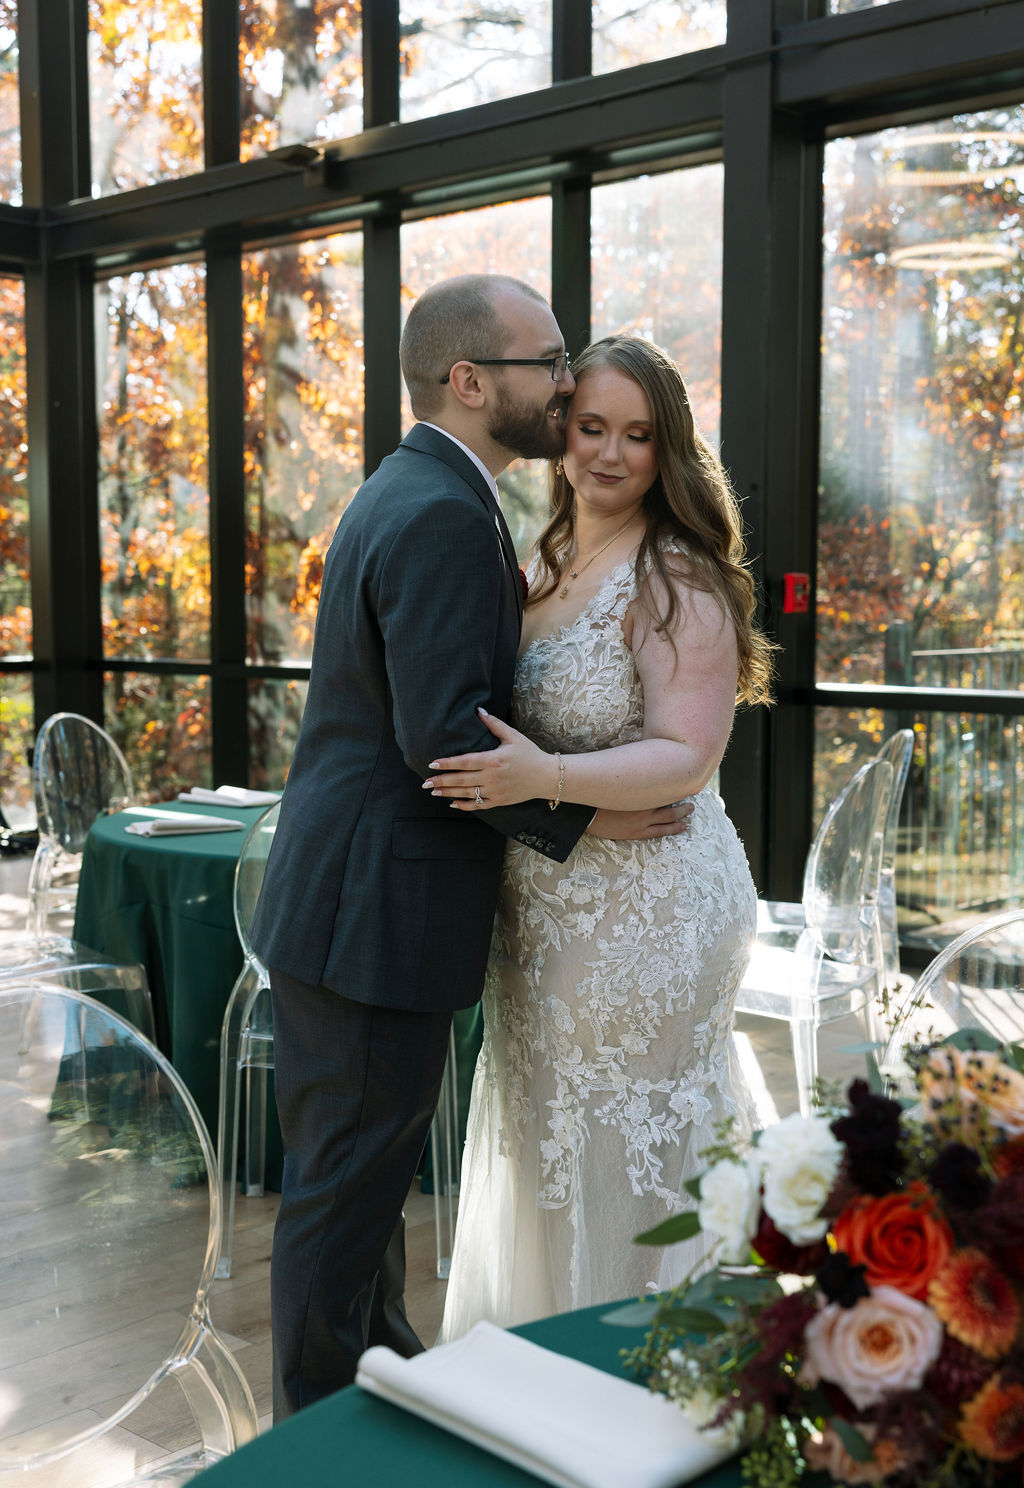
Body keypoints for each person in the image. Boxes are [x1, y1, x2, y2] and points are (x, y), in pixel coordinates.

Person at [249, 279, 690, 1417]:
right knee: (342, 1200)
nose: (563, 381)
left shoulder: (422, 489)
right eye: (547, 363)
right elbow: (442, 741)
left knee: (361, 1190)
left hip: (354, 908)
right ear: (471, 381)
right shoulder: (444, 510)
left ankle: (376, 1388)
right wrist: (581, 814)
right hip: (370, 918)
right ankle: (315, 1433)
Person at [425, 334, 777, 1336]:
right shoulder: (535, 558)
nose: (611, 455)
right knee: (542, 1129)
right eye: (592, 428)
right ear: (560, 429)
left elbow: (686, 754)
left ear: (668, 452)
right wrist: (561, 805)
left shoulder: (677, 575)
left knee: (630, 1137)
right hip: (544, 902)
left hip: (650, 909)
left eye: (638, 436)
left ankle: (660, 1369)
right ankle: (542, 1375)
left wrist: (552, 780)